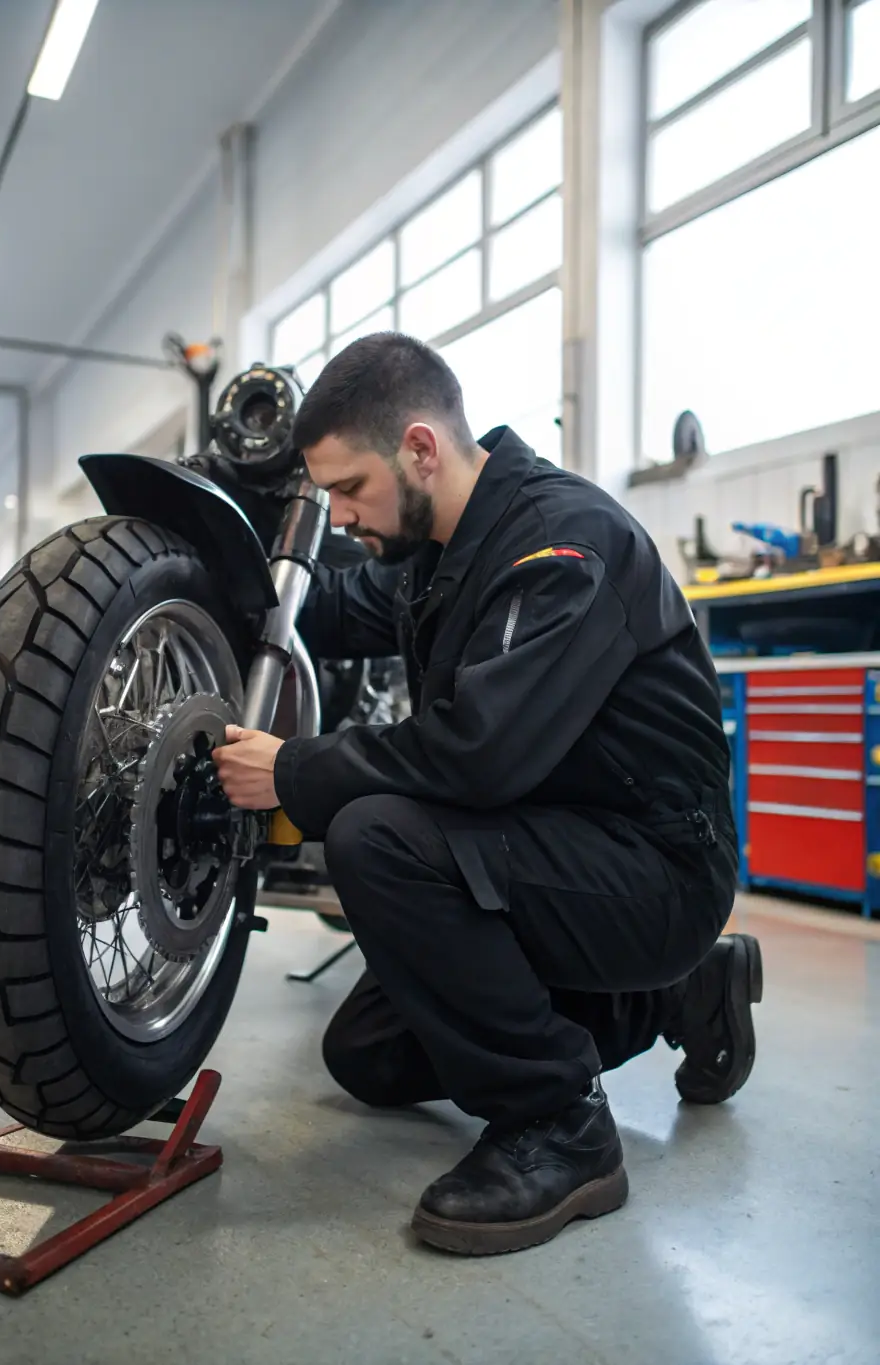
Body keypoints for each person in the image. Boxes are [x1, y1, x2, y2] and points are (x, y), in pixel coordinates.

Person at [212, 332, 762, 1257]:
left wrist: (293, 770)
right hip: (556, 846)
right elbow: (334, 611)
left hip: (654, 870)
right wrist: (226, 574)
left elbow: (477, 756)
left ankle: (561, 1124)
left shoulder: (562, 544)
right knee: (369, 1056)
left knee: (374, 836)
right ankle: (674, 994)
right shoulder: (440, 548)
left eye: (350, 487)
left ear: (420, 448)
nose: (340, 513)